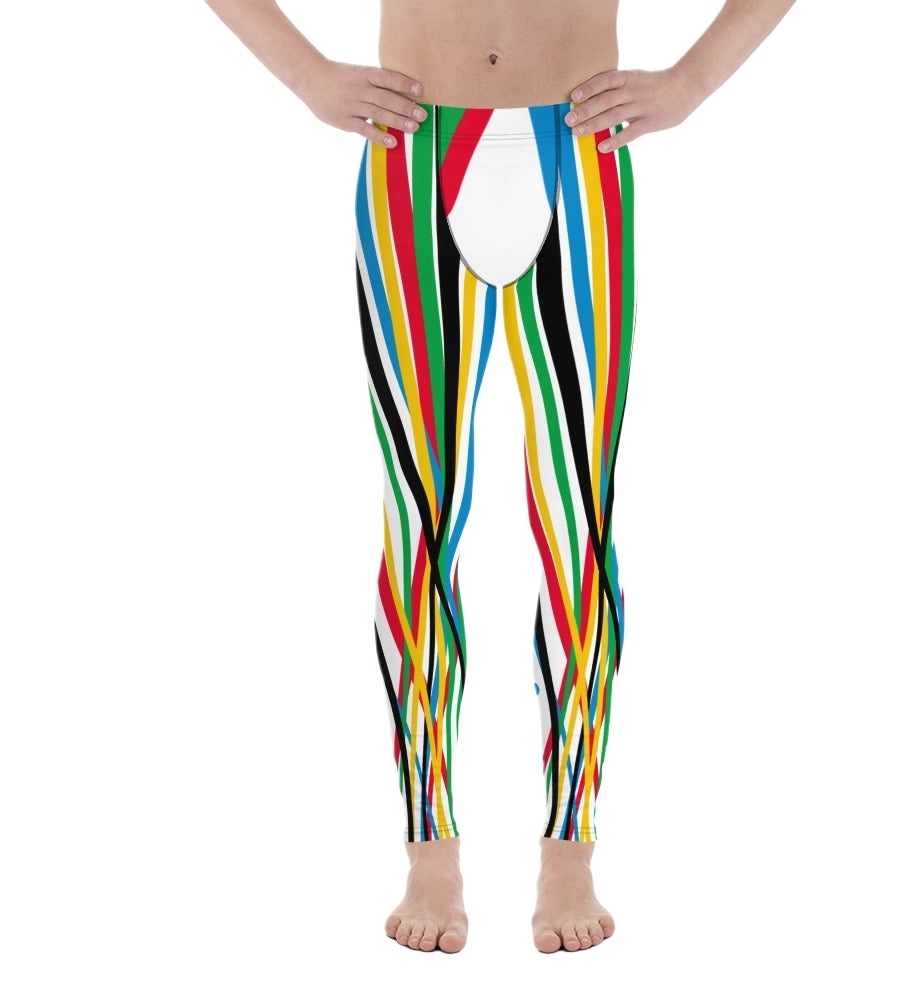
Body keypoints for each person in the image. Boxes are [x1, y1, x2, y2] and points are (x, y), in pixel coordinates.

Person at [203, 0, 797, 954]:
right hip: (412, 160)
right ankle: (429, 846)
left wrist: (691, 82)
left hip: (580, 162)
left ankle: (570, 844)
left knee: (578, 523)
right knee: (420, 520)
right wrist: (308, 74)